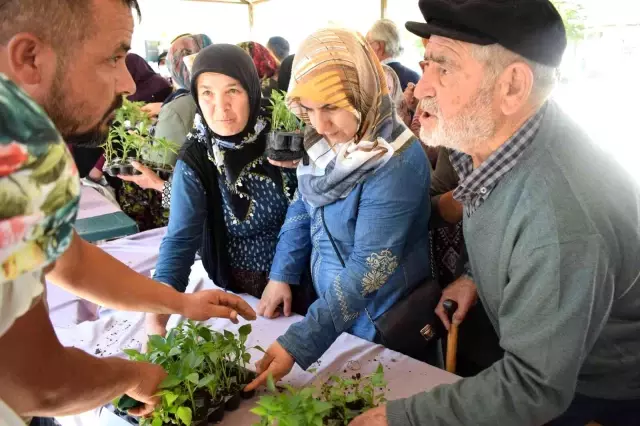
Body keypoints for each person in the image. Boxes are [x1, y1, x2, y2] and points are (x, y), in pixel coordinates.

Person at [352, 0, 640, 425]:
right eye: (426, 61)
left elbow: (533, 387)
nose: (422, 87)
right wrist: (471, 275)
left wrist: (401, 418)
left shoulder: (560, 217)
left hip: (593, 388)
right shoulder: (495, 145)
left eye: (444, 67)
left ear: (511, 87)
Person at [0, 0, 255, 422]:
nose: (128, 83)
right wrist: (131, 376)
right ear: (30, 58)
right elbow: (38, 383)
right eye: (114, 56)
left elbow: (70, 260)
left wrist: (179, 303)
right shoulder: (18, 152)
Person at [245, 28, 432, 392]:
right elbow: (305, 201)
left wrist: (300, 342)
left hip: (380, 320)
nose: (319, 124)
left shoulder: (394, 161)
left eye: (331, 107)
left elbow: (368, 270)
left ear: (363, 90)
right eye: (308, 109)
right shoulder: (326, 141)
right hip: (332, 310)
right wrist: (281, 273)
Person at [145, 44, 315, 338]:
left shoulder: (282, 138)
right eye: (207, 93)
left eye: (232, 91)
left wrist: (282, 274)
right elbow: (180, 239)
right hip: (239, 292)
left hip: (305, 279)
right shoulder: (197, 157)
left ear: (250, 89)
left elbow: (307, 203)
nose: (220, 107)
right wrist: (156, 319)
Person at [366, 19, 420, 91]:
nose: (365, 48)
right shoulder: (415, 76)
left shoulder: (372, 79)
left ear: (379, 46)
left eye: (367, 43)